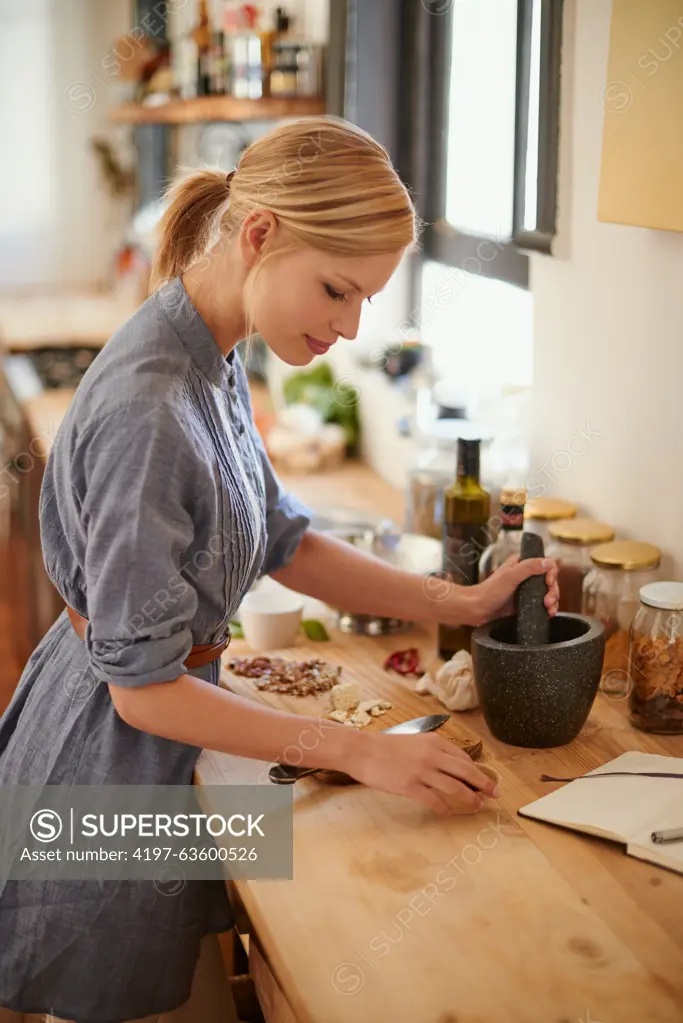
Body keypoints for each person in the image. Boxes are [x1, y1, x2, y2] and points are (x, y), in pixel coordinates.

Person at [0, 117, 559, 1023]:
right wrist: (359, 750)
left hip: (164, 750)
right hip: (103, 773)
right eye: (337, 290)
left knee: (237, 974)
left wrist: (460, 597)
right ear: (258, 233)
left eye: (365, 301)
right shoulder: (151, 406)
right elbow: (141, 692)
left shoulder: (211, 353)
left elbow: (285, 539)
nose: (347, 327)